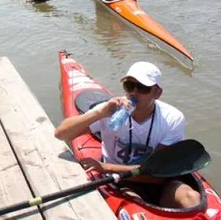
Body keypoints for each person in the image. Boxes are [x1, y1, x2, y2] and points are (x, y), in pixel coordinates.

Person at [54, 62, 201, 209]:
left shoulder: (172, 118)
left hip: (155, 179)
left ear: (157, 93)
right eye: (130, 85)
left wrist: (105, 167)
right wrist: (99, 113)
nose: (134, 93)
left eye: (142, 87)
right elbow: (61, 134)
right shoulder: (110, 111)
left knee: (192, 198)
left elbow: (157, 170)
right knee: (137, 206)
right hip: (122, 181)